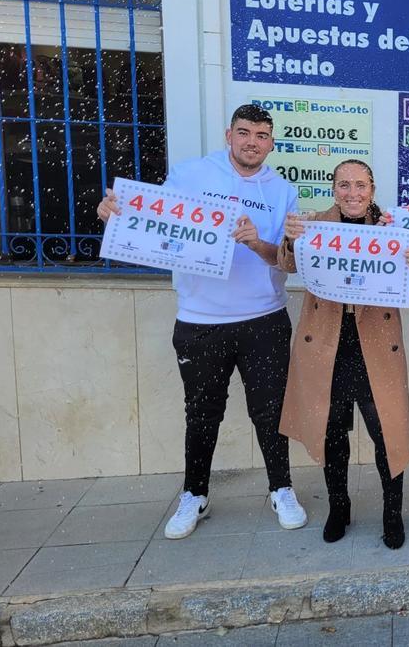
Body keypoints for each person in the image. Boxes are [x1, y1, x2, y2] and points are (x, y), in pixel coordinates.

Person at [97, 103, 307, 539]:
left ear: (271, 142)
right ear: (229, 134)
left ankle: (281, 488)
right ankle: (195, 494)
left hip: (265, 320)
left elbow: (286, 264)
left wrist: (257, 243)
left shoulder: (282, 190)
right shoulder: (191, 174)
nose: (253, 142)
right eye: (245, 133)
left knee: (270, 414)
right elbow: (155, 225)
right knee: (202, 413)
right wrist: (118, 216)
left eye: (262, 136)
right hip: (199, 321)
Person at [277, 159, 409, 548]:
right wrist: (290, 238)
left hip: (376, 347)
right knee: (331, 435)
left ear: (372, 190)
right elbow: (287, 264)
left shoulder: (392, 228)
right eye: (344, 185)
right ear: (334, 189)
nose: (352, 193)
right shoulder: (313, 224)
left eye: (360, 185)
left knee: (387, 436)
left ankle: (392, 513)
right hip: (328, 345)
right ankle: (339, 506)